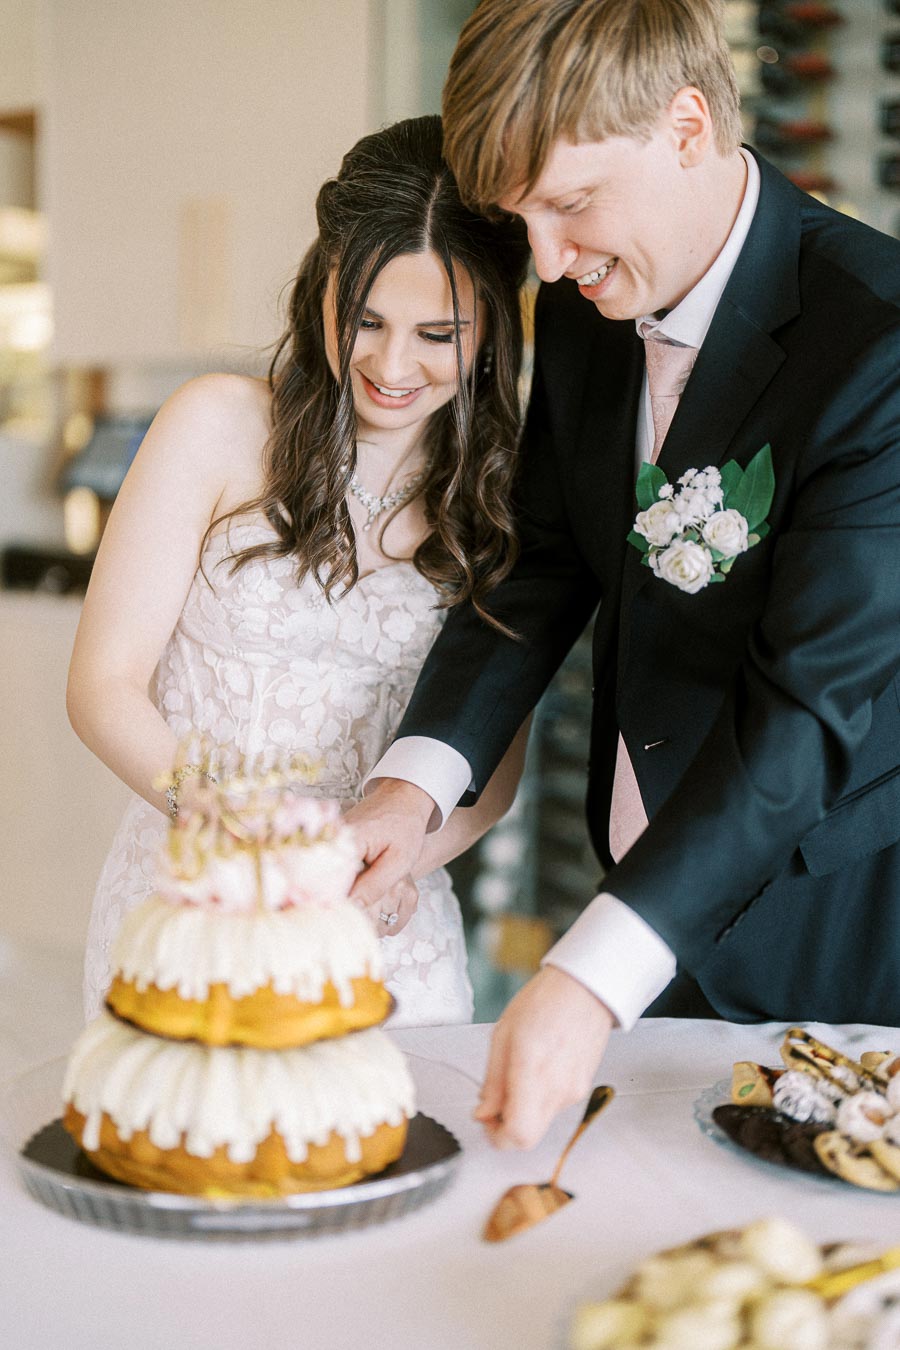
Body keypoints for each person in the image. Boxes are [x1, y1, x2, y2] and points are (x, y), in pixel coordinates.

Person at [347, 0, 900, 1146]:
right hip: (641, 900)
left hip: (830, 938)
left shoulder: (878, 346)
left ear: (687, 125)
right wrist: (416, 780)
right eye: (522, 216)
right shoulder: (589, 300)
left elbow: (807, 716)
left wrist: (595, 969)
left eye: (571, 202)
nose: (546, 260)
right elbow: (546, 561)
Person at [67, 115, 531, 1029]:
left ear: (491, 335)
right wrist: (234, 835)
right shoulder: (216, 425)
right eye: (364, 320)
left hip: (385, 933)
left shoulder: (501, 497)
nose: (392, 366)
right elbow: (102, 686)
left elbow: (494, 775)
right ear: (322, 288)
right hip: (192, 903)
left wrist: (402, 863)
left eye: (438, 334)